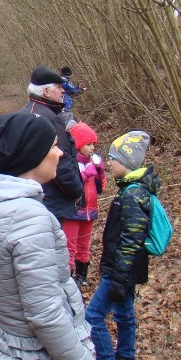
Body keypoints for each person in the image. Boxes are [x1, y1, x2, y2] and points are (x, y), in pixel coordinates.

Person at [0, 113, 97, 360]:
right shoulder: (28, 218)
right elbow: (45, 312)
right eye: (53, 145)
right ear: (31, 156)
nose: (61, 152)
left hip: (10, 353)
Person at [85, 131, 158, 360]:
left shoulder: (132, 194)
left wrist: (118, 276)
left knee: (92, 316)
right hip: (128, 268)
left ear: (127, 161)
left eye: (113, 158)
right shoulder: (132, 189)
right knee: (125, 315)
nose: (110, 163)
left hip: (121, 269)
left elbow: (132, 238)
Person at [23, 67, 84, 243]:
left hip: (35, 198)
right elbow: (61, 163)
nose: (63, 90)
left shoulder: (29, 112)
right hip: (50, 201)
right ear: (46, 91)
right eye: (59, 87)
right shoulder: (47, 119)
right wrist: (76, 192)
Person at [65, 122, 106, 286]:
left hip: (90, 210)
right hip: (74, 211)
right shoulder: (71, 162)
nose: (92, 148)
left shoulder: (93, 162)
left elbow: (100, 187)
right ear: (79, 144)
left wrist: (100, 173)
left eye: (93, 144)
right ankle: (67, 276)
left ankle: (82, 275)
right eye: (88, 144)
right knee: (70, 245)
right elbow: (72, 181)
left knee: (84, 244)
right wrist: (87, 173)